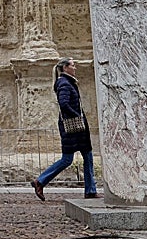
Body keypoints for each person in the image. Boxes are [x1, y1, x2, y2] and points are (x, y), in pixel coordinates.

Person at [31, 57, 100, 201]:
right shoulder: (64, 83)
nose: (75, 68)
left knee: (88, 156)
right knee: (67, 159)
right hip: (72, 127)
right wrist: (77, 116)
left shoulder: (68, 82)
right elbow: (63, 104)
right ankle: (40, 181)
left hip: (78, 128)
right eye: (73, 65)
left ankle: (90, 190)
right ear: (65, 68)